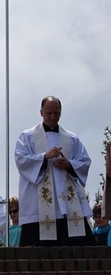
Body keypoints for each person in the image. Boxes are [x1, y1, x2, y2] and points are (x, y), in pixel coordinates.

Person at [14, 96, 95, 246]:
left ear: (60, 113)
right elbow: (21, 160)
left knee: (81, 248)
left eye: (56, 113)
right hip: (38, 207)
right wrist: (45, 157)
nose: (52, 117)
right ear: (41, 112)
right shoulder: (27, 136)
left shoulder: (71, 138)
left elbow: (84, 161)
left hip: (68, 206)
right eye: (49, 113)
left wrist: (69, 164)